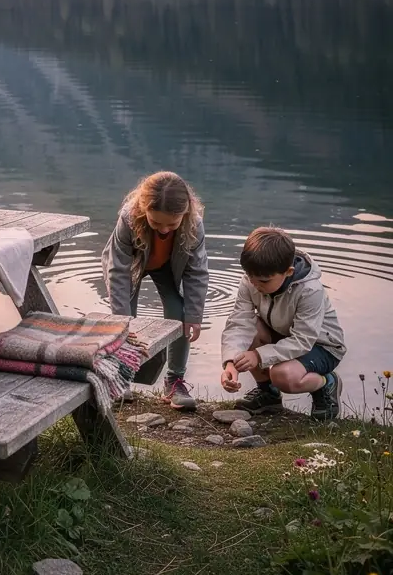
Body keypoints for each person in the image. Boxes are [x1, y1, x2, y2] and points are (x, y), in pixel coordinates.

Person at [102, 171, 210, 410]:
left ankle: (174, 381)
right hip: (131, 266)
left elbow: (196, 272)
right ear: (144, 209)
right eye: (156, 223)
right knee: (124, 321)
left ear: (185, 212)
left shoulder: (194, 224)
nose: (163, 230)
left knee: (180, 313)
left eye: (172, 224)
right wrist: (121, 320)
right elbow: (118, 272)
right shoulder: (129, 218)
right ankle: (121, 376)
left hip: (168, 267)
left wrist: (195, 315)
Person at [220, 226, 345, 421]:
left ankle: (326, 383)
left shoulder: (310, 290)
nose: (255, 285)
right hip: (283, 334)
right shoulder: (253, 279)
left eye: (263, 281)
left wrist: (258, 355)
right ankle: (268, 394)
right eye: (250, 277)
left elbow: (303, 340)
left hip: (321, 346)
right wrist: (230, 362)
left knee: (282, 375)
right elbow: (239, 322)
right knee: (250, 331)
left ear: (288, 272)